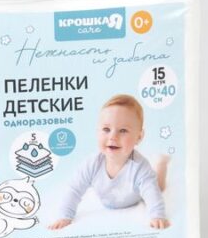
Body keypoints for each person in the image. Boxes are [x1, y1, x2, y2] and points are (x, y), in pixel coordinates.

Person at [48, 94, 170, 230]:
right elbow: (74, 190)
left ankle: (161, 163)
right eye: (106, 129)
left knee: (158, 187)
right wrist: (65, 216)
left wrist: (157, 216)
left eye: (123, 130)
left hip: (137, 196)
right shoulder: (92, 164)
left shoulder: (140, 167)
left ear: (139, 137)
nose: (113, 136)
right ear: (97, 132)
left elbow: (152, 193)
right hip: (110, 200)